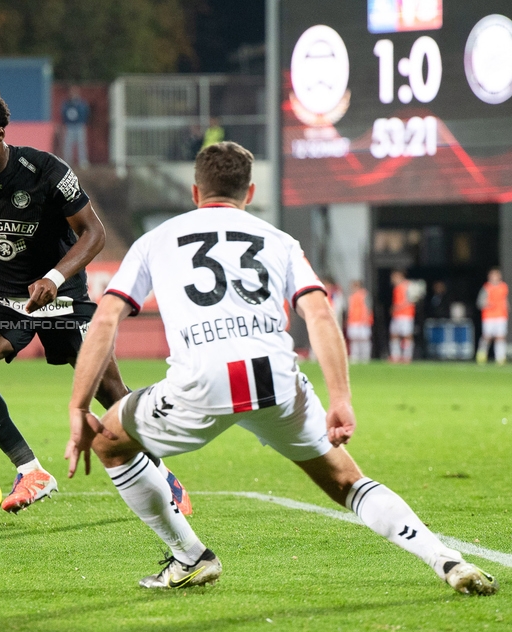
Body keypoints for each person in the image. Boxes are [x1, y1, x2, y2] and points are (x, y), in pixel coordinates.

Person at [65, 142, 496, 595]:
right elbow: (320, 315)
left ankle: (190, 557)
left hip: (202, 381)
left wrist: (79, 406)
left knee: (110, 441)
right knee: (348, 479)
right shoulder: (279, 240)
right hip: (278, 380)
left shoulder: (156, 240)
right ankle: (447, 559)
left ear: (195, 191)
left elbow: (107, 317)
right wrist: (341, 399)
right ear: (249, 192)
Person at [0, 87, 189, 515]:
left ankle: (162, 473)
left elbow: (93, 233)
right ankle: (31, 470)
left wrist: (55, 277)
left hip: (62, 297)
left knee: (108, 387)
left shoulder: (44, 171)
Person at [476, 267, 508, 365]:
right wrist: (487, 304)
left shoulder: (503, 287)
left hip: (501, 315)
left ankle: (500, 357)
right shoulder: (486, 288)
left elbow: (504, 299)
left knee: (500, 337)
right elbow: (479, 302)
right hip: (489, 316)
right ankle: (481, 354)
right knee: (487, 336)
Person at [389, 270, 416, 363]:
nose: (392, 280)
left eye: (394, 277)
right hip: (397, 315)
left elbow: (411, 300)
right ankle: (395, 355)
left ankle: (407, 356)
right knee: (394, 335)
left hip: (406, 315)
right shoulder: (396, 288)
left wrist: (398, 307)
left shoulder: (408, 285)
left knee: (407, 335)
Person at [60, 86, 90, 169]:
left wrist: (83, 122)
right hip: (69, 126)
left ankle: (83, 161)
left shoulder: (81, 103)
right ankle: (67, 162)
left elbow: (85, 113)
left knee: (81, 144)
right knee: (68, 144)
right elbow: (63, 113)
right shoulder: (66, 103)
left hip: (79, 125)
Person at [346, 280, 373, 364]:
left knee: (364, 340)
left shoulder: (364, 295)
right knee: (354, 340)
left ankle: (365, 357)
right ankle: (355, 356)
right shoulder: (351, 297)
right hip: (353, 321)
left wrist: (365, 319)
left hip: (363, 322)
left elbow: (368, 308)